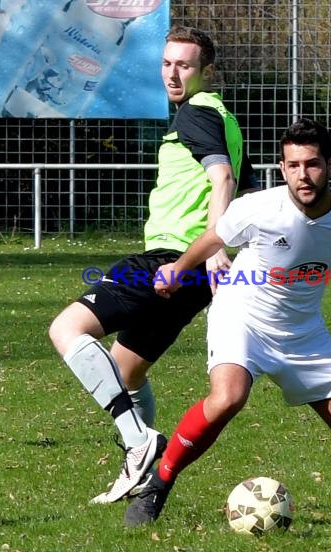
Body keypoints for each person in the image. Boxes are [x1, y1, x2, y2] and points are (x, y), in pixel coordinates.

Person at [124, 117, 331, 527]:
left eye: (312, 164)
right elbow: (215, 237)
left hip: (303, 330)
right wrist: (178, 267)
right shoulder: (257, 208)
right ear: (282, 169)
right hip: (242, 317)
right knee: (228, 397)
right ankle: (159, 483)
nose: (303, 175)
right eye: (293, 166)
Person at [48, 25, 259, 504]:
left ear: (208, 72)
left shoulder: (197, 114)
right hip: (194, 274)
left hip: (169, 259)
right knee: (125, 374)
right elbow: (239, 185)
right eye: (167, 63)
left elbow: (223, 178)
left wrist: (217, 244)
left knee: (66, 330)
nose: (172, 73)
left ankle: (140, 444)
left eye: (184, 65)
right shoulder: (225, 119)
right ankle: (141, 468)